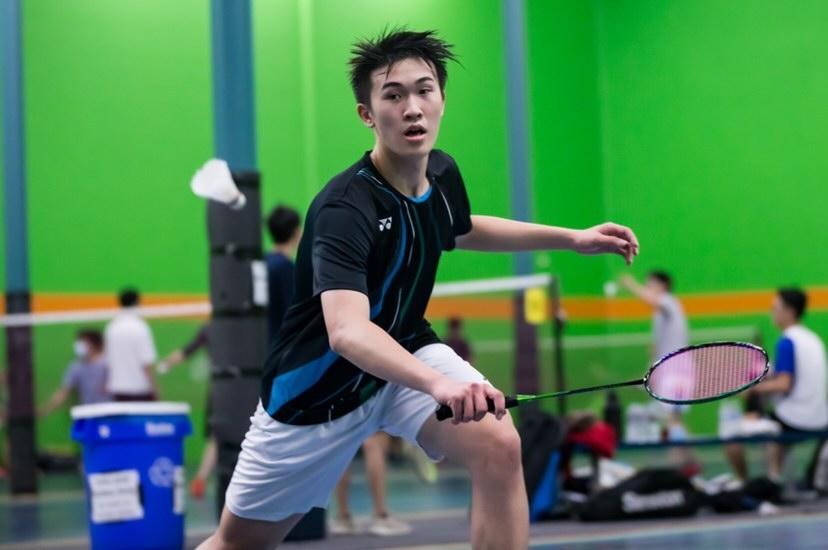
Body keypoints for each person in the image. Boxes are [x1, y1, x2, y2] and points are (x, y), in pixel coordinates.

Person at [197, 29, 638, 550]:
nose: (412, 108)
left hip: (405, 351)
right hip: (317, 393)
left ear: (443, 99)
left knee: (499, 443)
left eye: (424, 90)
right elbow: (346, 332)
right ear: (367, 113)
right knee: (238, 543)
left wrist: (570, 238)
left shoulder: (442, 171)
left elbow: (460, 225)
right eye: (394, 95)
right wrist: (437, 385)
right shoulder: (345, 209)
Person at [726, 288, 828, 481]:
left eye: (775, 308)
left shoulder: (787, 342)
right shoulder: (813, 339)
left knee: (732, 441)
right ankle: (775, 478)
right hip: (821, 417)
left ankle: (750, 484)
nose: (771, 312)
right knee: (770, 422)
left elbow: (784, 384)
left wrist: (751, 388)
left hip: (795, 419)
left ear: (789, 311)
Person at [158, 324, 216, 499]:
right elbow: (188, 350)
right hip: (225, 390)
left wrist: (166, 364)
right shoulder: (211, 329)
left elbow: (187, 351)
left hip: (221, 389)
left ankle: (202, 477)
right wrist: (166, 364)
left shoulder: (209, 328)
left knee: (217, 436)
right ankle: (201, 478)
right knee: (218, 436)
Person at [40, 329, 110, 416]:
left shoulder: (108, 363)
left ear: (94, 344)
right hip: (88, 414)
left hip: (110, 413)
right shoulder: (76, 367)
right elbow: (64, 391)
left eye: (83, 342)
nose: (79, 345)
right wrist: (47, 408)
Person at [105, 288, 159, 401]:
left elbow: (108, 361)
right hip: (139, 390)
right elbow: (146, 362)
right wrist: (155, 389)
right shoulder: (140, 327)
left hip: (118, 390)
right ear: (136, 302)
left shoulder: (112, 328)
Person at [265, 205, 302, 345]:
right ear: (297, 232)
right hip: (280, 348)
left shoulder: (263, 262)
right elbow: (292, 313)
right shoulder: (286, 268)